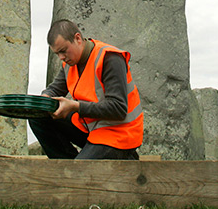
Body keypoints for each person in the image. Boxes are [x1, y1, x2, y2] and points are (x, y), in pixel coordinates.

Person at [29, 19, 143, 160]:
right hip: (92, 129)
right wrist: (45, 98)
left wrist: (75, 106)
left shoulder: (109, 58)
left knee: (79, 171)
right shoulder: (69, 64)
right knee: (38, 117)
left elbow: (118, 109)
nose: (61, 58)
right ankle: (67, 166)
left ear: (77, 38)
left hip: (119, 134)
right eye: (57, 54)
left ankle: (124, 155)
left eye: (63, 51)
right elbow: (55, 89)